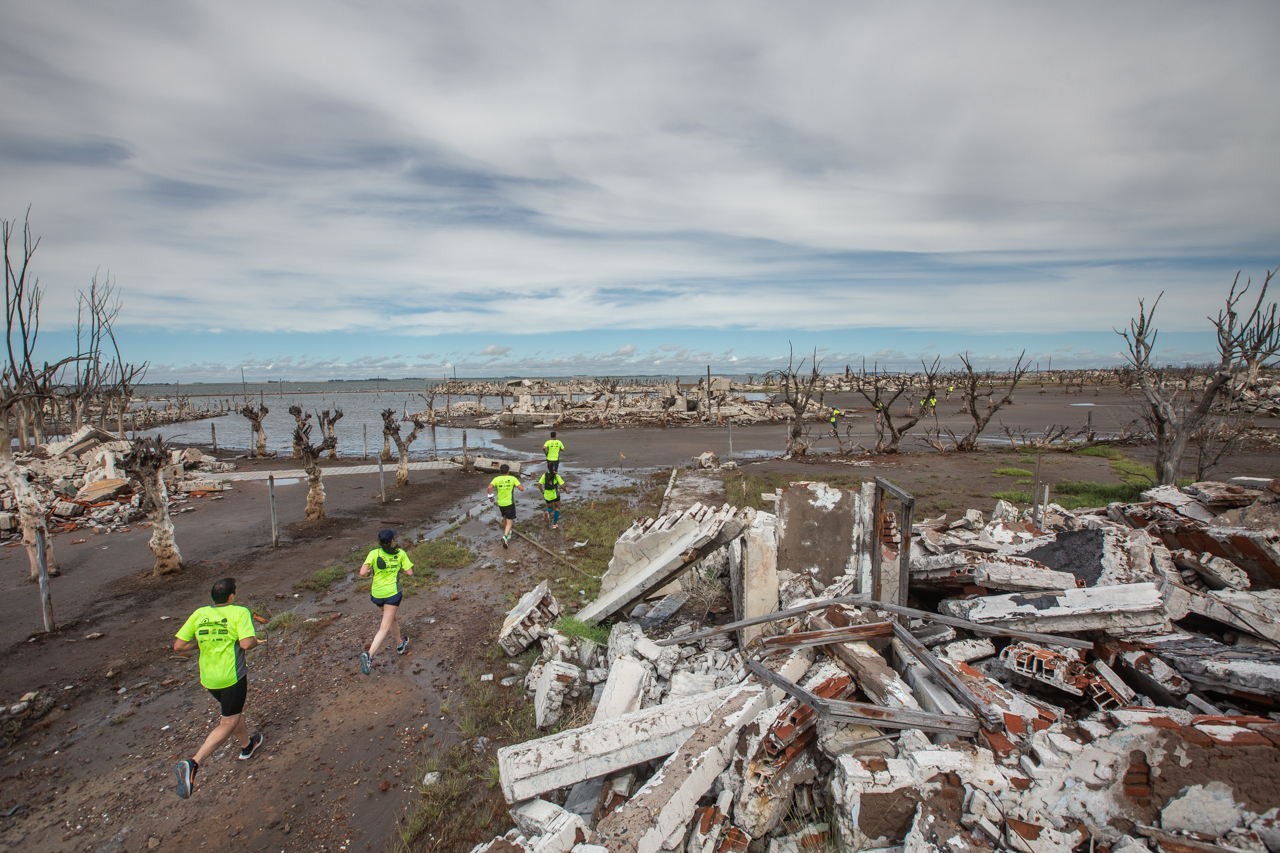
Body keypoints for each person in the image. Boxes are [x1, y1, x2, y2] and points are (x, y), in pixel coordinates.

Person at [172, 577, 264, 800]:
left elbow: (179, 646)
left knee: (231, 711)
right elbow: (245, 644)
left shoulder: (199, 613)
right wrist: (255, 641)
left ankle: (247, 746)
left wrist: (203, 643)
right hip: (231, 677)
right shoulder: (239, 612)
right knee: (228, 721)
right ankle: (194, 763)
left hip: (209, 679)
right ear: (232, 596)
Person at [358, 529, 414, 675]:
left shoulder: (373, 553)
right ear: (391, 541)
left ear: (379, 541)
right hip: (392, 594)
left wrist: (372, 571)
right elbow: (410, 573)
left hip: (377, 594)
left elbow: (362, 572)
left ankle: (400, 645)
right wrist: (397, 567)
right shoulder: (400, 553)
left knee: (392, 618)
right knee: (384, 626)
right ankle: (369, 655)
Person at [488, 464, 524, 547]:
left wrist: (491, 497)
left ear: (500, 471)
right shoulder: (512, 478)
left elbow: (489, 488)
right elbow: (521, 489)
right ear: (508, 471)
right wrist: (516, 485)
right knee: (509, 521)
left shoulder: (496, 479)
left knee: (504, 517)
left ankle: (507, 532)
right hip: (509, 503)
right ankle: (505, 536)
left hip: (500, 503)